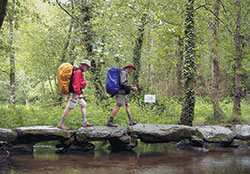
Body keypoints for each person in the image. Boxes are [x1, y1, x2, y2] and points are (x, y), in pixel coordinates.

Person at [57, 60, 93, 130]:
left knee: (84, 104)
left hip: (76, 93)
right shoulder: (78, 72)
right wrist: (79, 94)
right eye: (87, 67)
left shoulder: (78, 71)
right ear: (84, 65)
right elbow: (75, 84)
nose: (87, 69)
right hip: (74, 93)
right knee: (69, 107)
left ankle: (85, 122)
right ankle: (61, 123)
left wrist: (79, 93)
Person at [106, 63, 138, 127]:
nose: (131, 71)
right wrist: (132, 88)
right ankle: (110, 121)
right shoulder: (124, 72)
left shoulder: (123, 72)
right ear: (129, 68)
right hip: (120, 92)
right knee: (118, 105)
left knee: (127, 104)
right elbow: (123, 82)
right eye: (132, 69)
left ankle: (131, 120)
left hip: (122, 92)